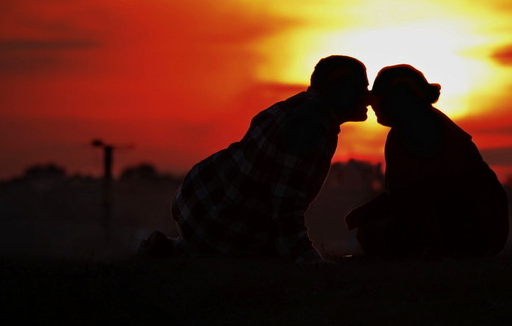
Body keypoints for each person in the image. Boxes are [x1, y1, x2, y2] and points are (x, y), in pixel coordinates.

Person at [142, 55, 369, 264]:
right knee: (262, 257)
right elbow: (286, 202)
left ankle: (173, 248)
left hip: (198, 199)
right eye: (361, 88)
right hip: (223, 219)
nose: (367, 98)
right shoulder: (312, 126)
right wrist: (307, 260)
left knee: (221, 251)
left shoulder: (296, 106)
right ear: (341, 88)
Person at [345, 64, 508, 259]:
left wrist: (366, 213)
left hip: (471, 226)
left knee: (373, 228)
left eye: (379, 100)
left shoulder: (421, 130)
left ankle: (434, 252)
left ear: (398, 99)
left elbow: (416, 192)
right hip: (471, 224)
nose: (373, 106)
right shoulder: (420, 125)